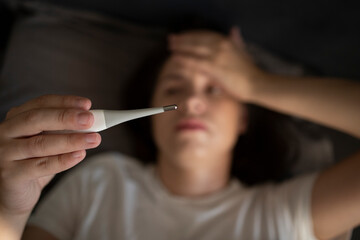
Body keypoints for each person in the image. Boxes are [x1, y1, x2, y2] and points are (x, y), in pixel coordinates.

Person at [0, 27, 359, 240]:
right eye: (173, 89)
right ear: (151, 114)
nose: (191, 102)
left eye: (215, 90)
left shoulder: (284, 214)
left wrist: (255, 82)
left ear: (244, 119)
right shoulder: (99, 182)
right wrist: (8, 213)